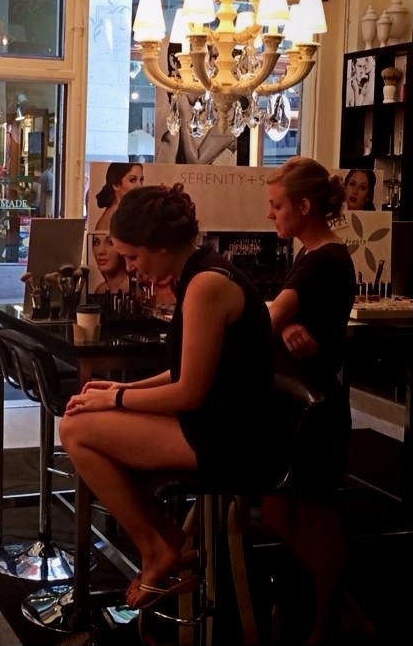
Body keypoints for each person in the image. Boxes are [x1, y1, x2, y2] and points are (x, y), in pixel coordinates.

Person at [58, 183, 277, 610]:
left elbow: (188, 392)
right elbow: (183, 373)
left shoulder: (206, 285)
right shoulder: (200, 274)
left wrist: (115, 401)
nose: (131, 268)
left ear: (159, 246)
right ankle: (164, 539)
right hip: (219, 422)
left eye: (133, 257)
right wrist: (123, 388)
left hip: (231, 437)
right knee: (82, 424)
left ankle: (157, 548)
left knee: (76, 431)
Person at [261, 156, 372, 645]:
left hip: (313, 409)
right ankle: (346, 611)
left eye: (276, 205)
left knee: (316, 519)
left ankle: (329, 624)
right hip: (302, 406)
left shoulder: (322, 260)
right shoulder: (315, 257)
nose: (270, 214)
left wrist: (278, 320)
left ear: (303, 206)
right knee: (278, 511)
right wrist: (286, 323)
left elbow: (267, 320)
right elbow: (284, 318)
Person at [90, 162, 144, 231]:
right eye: (133, 180)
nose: (139, 186)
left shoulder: (125, 213)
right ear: (116, 185)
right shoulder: (110, 220)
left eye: (141, 180)